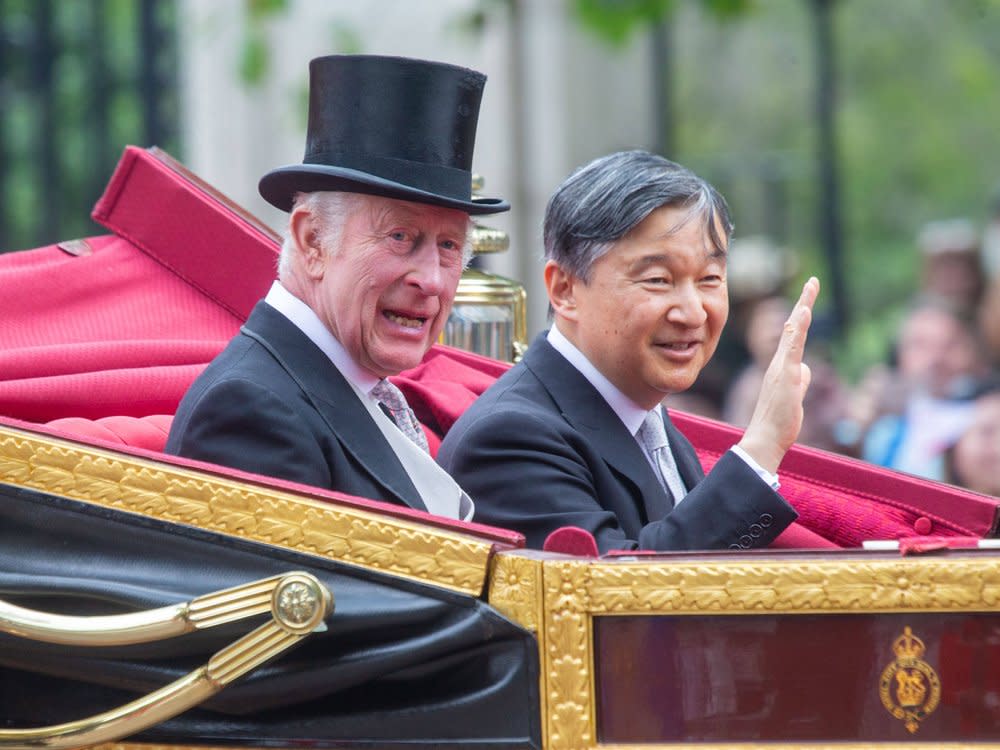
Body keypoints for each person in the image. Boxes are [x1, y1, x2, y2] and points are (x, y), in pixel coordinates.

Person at [166, 55, 508, 520]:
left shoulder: (352, 384)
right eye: (400, 237)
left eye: (449, 246)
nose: (430, 280)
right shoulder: (253, 411)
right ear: (313, 240)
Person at [438, 150, 820, 552]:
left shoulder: (651, 421)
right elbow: (626, 598)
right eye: (658, 280)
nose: (692, 312)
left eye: (709, 279)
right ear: (564, 290)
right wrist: (762, 446)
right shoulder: (508, 440)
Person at [861, 298, 988, 481]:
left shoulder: (989, 421)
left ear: (972, 353)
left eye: (949, 344)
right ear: (899, 356)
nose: (936, 357)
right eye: (921, 345)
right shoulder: (882, 431)